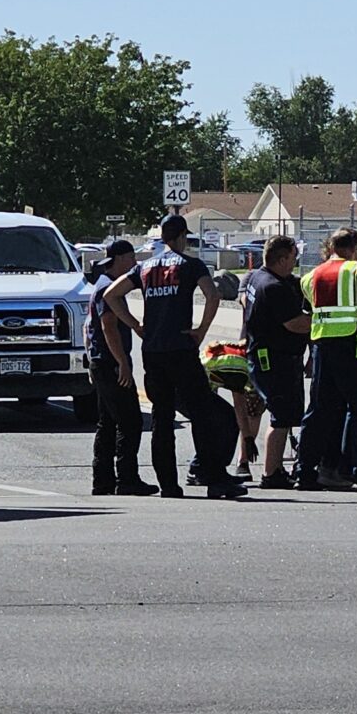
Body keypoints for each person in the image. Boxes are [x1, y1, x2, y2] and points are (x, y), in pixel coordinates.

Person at [105, 213, 245, 500]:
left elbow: (111, 294)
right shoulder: (190, 265)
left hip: (154, 352)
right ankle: (215, 479)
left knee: (162, 418)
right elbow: (212, 295)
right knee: (203, 415)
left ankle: (169, 484)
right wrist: (201, 330)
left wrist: (135, 325)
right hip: (181, 348)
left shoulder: (144, 267)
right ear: (181, 237)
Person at [296, 226, 357, 492]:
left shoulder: (310, 276)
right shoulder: (356, 271)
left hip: (321, 350)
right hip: (352, 347)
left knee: (318, 410)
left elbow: (310, 318)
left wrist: (309, 355)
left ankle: (305, 471)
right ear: (352, 248)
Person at [241, 234, 312, 489]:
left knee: (281, 414)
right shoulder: (273, 287)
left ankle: (276, 468)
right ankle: (271, 474)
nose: (295, 262)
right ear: (282, 259)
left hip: (264, 356)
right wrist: (322, 322)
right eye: (293, 257)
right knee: (280, 416)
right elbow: (294, 323)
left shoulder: (257, 277)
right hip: (272, 360)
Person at [84, 239, 154, 497]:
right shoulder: (108, 289)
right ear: (122, 259)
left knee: (108, 422)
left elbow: (86, 328)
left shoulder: (101, 284)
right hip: (111, 363)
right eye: (131, 258)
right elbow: (108, 327)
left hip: (100, 361)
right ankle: (127, 478)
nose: (134, 263)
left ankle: (102, 481)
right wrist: (123, 363)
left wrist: (91, 358)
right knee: (130, 421)